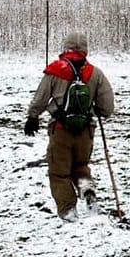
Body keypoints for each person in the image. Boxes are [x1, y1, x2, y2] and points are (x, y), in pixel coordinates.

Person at [23, 31, 115, 220]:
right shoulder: (95, 73)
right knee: (81, 165)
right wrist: (94, 110)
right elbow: (107, 108)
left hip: (60, 130)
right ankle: (87, 189)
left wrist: (33, 116)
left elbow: (41, 97)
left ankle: (68, 211)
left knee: (59, 172)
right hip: (86, 131)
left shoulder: (55, 71)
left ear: (66, 47)